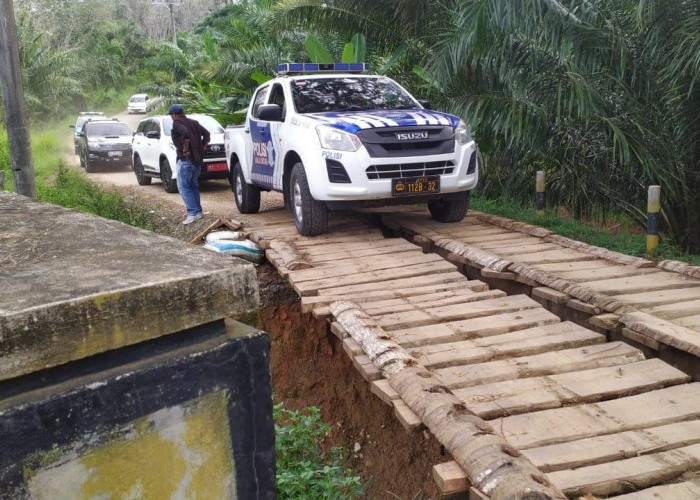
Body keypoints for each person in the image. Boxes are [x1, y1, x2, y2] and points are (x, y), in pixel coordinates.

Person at [169, 104, 210, 225]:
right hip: (197, 161)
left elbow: (185, 134)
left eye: (171, 115)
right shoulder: (194, 122)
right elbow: (207, 134)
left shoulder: (176, 123)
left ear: (174, 114)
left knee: (184, 188)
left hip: (186, 160)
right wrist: (202, 147)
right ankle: (198, 212)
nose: (171, 117)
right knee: (193, 186)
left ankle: (192, 213)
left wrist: (185, 150)